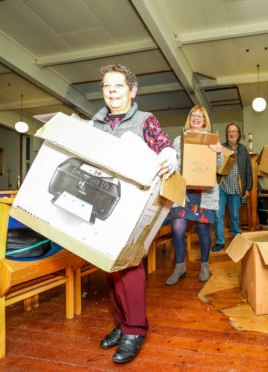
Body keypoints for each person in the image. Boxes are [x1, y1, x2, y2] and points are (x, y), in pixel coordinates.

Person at [91, 63, 177, 364]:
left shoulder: (144, 120)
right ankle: (122, 322)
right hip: (102, 204)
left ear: (132, 90)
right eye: (106, 86)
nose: (111, 91)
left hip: (135, 205)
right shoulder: (96, 124)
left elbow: (165, 146)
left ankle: (136, 330)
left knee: (130, 264)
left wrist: (169, 156)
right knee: (110, 266)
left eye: (117, 85)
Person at [166, 106, 223, 285]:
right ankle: (180, 266)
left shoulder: (212, 139)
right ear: (189, 118)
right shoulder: (179, 139)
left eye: (200, 116)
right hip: (183, 191)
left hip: (204, 193)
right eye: (193, 115)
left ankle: (204, 266)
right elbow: (172, 163)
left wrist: (219, 152)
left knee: (203, 229)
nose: (196, 118)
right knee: (177, 228)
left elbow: (218, 165)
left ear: (205, 120)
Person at [212, 123, 253, 252]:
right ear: (227, 134)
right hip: (222, 186)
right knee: (218, 215)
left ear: (239, 134)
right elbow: (214, 165)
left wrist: (248, 188)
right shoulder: (222, 147)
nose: (231, 134)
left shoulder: (243, 149)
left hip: (237, 187)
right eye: (229, 131)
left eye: (234, 131)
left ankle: (236, 237)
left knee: (235, 215)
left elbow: (248, 169)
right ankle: (220, 242)